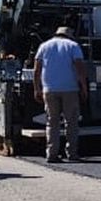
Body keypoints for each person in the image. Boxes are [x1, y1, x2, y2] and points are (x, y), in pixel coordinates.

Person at [33, 26, 88, 163]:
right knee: (71, 122)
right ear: (69, 36)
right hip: (70, 89)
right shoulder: (73, 46)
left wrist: (37, 88)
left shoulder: (44, 46)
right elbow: (80, 68)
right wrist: (84, 87)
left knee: (52, 122)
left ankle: (51, 154)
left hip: (49, 89)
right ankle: (72, 153)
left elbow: (36, 70)